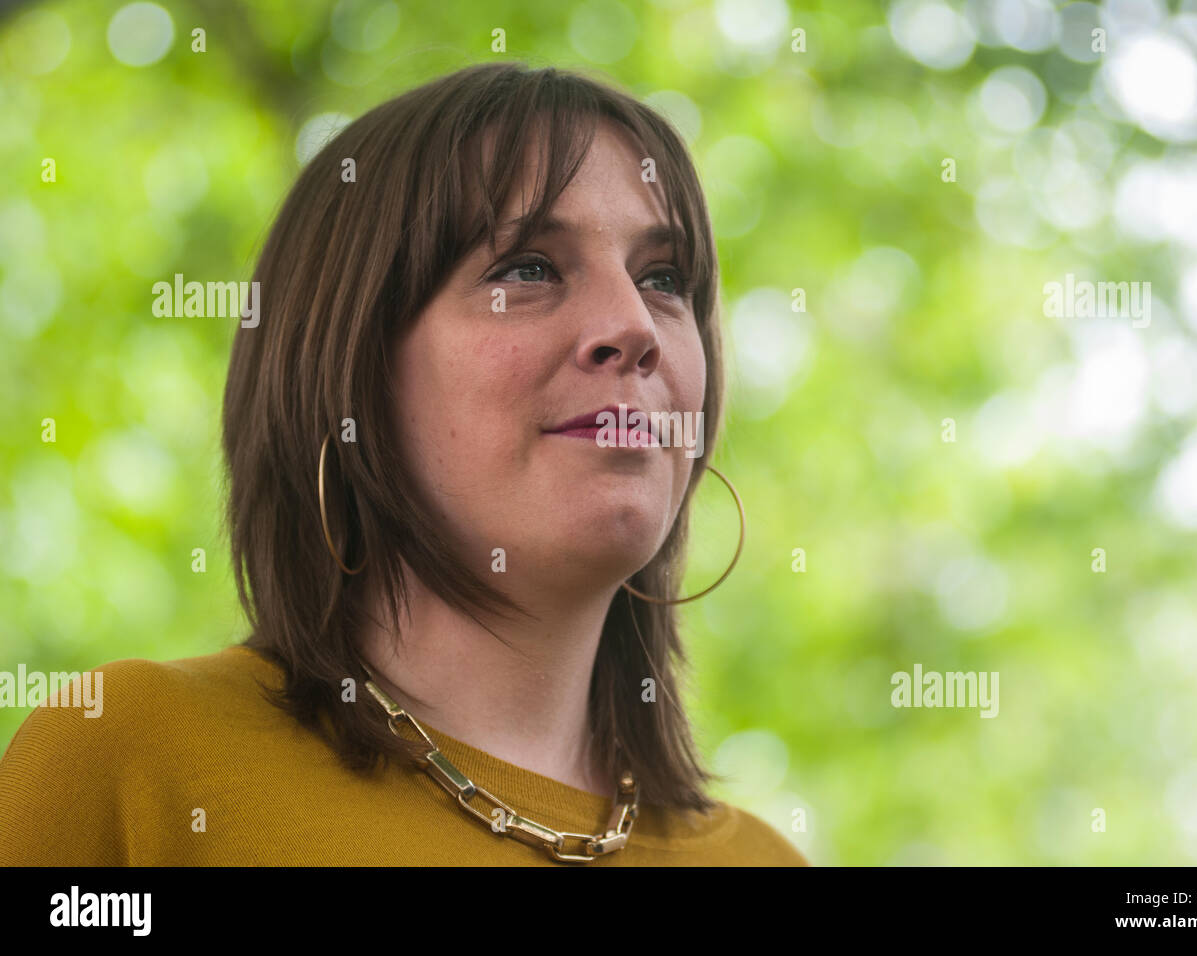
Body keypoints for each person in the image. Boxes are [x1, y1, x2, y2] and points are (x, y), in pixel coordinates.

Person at [0, 61, 809, 866]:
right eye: (527, 268)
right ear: (347, 371)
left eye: (663, 279)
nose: (634, 326)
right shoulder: (132, 759)